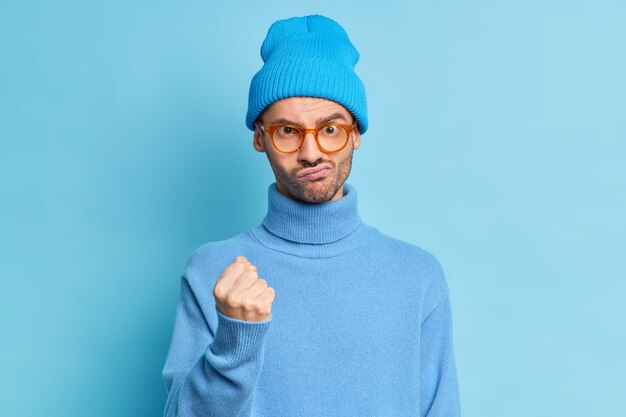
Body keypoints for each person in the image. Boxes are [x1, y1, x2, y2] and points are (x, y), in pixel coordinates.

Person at [161, 14, 461, 417]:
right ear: (259, 138)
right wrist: (236, 341)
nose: (312, 151)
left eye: (330, 129)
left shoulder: (417, 274)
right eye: (287, 130)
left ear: (356, 133)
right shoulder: (214, 272)